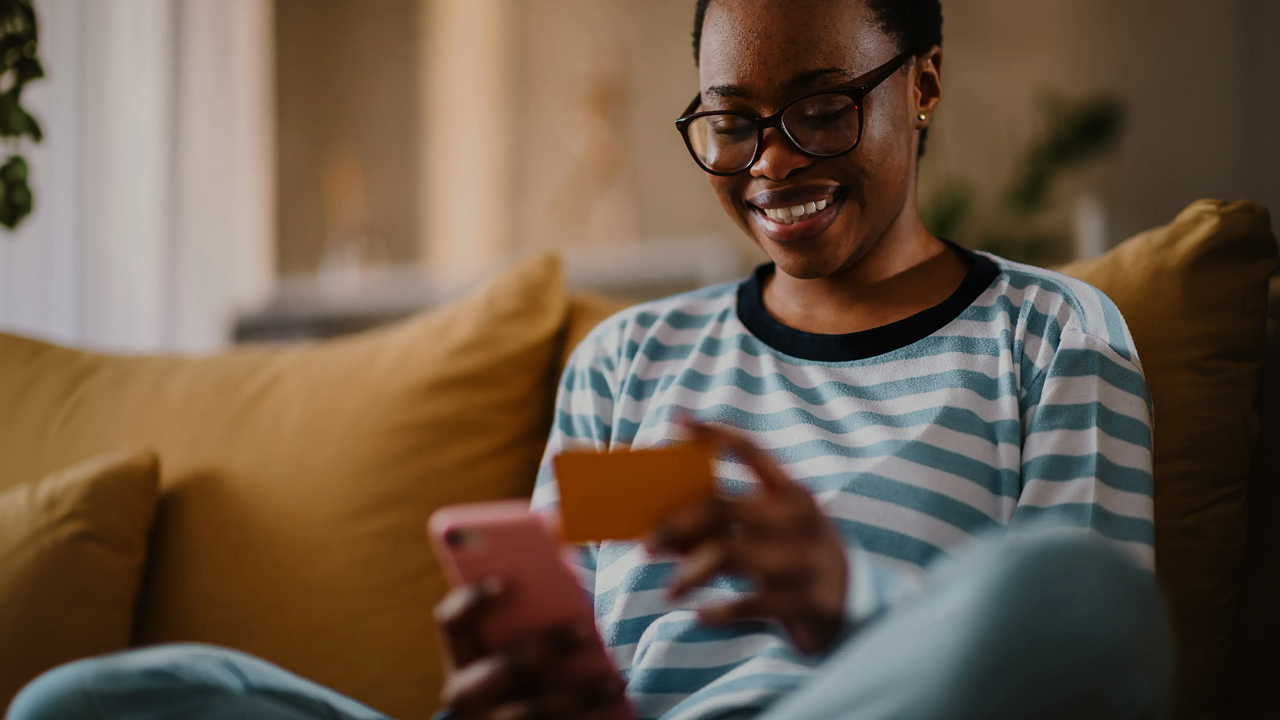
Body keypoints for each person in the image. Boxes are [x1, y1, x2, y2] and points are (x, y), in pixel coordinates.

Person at [8, 1, 1170, 720]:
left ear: (921, 83)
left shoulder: (1048, 338)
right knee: (93, 701)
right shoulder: (629, 362)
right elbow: (571, 625)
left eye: (821, 109)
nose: (770, 164)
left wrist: (845, 602)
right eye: (730, 121)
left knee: (1074, 594)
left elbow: (1089, 655)